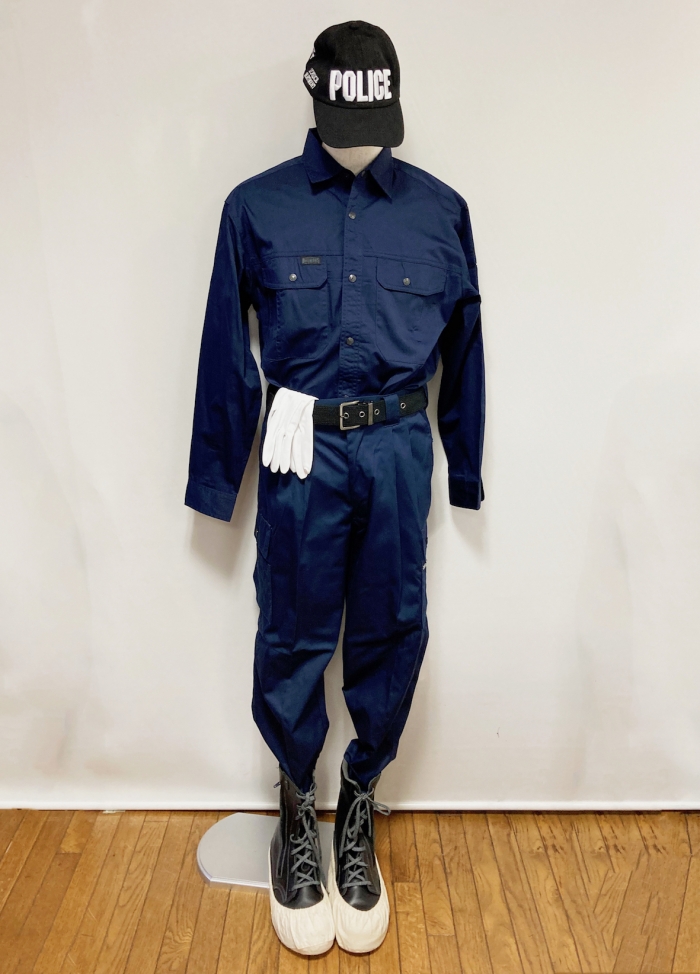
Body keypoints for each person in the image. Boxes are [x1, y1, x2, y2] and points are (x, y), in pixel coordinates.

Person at [185, 19, 485, 956]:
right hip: (300, 448)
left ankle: (358, 802)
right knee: (293, 629)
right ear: (316, 98)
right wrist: (215, 479)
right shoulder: (257, 207)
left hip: (396, 447)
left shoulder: (440, 213)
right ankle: (294, 806)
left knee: (393, 625)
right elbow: (225, 352)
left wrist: (465, 465)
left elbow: (466, 350)